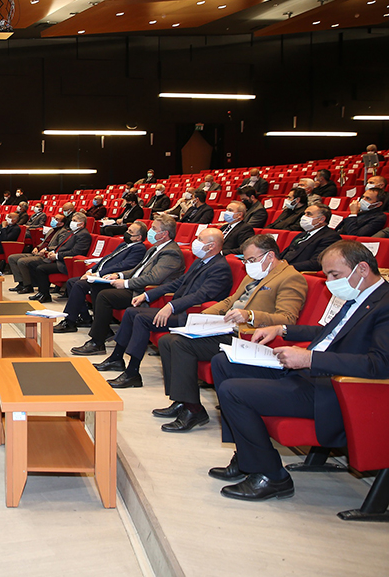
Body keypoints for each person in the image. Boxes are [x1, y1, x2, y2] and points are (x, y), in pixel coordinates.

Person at [208, 240, 389, 501]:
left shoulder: (384, 304)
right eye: (326, 275)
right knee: (224, 363)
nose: (329, 282)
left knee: (233, 391)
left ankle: (272, 476)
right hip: (309, 372)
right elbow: (328, 334)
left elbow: (379, 364)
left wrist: (310, 359)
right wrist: (282, 329)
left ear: (362, 268)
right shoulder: (359, 296)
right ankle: (247, 456)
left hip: (332, 389)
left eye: (334, 275)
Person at [153, 235, 306, 432]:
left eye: (252, 260)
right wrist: (203, 317)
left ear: (269, 256)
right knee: (167, 341)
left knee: (180, 344)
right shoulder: (254, 274)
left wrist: (250, 315)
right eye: (246, 260)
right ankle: (182, 400)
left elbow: (287, 318)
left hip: (247, 336)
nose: (248, 265)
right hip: (225, 327)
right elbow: (230, 301)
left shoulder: (291, 278)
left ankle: (193, 409)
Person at [95, 228, 233, 389]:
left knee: (142, 319)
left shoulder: (220, 267)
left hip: (193, 315)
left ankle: (132, 373)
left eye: (200, 239)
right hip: (181, 310)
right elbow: (177, 283)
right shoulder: (200, 262)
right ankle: (116, 358)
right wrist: (147, 295)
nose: (195, 241)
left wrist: (171, 306)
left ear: (211, 246)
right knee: (132, 312)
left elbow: (200, 296)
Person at [71, 215, 185, 356]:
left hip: (145, 293)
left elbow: (153, 278)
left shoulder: (171, 252)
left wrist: (125, 283)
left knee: (104, 296)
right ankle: (104, 331)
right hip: (135, 286)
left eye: (154, 228)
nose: (150, 231)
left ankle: (97, 342)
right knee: (97, 286)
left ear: (164, 234)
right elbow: (137, 270)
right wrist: (119, 275)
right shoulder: (155, 248)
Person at [53, 222, 148, 331]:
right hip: (100, 275)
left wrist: (98, 274)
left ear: (138, 237)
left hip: (112, 278)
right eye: (128, 230)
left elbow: (123, 265)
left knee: (79, 284)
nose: (126, 232)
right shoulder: (123, 245)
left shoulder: (139, 248)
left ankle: (69, 322)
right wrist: (90, 271)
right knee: (71, 282)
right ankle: (86, 318)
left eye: (130, 232)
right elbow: (105, 259)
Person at [28, 212, 92, 302]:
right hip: (59, 259)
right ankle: (41, 292)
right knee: (33, 264)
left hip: (67, 263)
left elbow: (76, 252)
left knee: (41, 268)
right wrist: (53, 252)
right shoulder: (71, 233)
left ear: (81, 224)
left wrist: (57, 256)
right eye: (72, 220)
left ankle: (45, 295)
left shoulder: (83, 235)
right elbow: (61, 246)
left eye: (74, 221)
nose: (72, 222)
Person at [5, 215, 69, 292]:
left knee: (22, 261)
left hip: (45, 255)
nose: (53, 220)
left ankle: (28, 286)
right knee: (12, 258)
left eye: (57, 219)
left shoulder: (63, 232)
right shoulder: (51, 230)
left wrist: (46, 249)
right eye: (54, 218)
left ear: (61, 223)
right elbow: (44, 242)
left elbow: (59, 246)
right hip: (37, 252)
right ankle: (21, 283)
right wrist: (37, 247)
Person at [280, 203, 341, 272]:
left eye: (309, 214)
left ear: (321, 219)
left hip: (295, 271)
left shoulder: (330, 237)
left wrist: (286, 267)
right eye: (305, 214)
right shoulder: (302, 235)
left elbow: (316, 263)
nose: (304, 217)